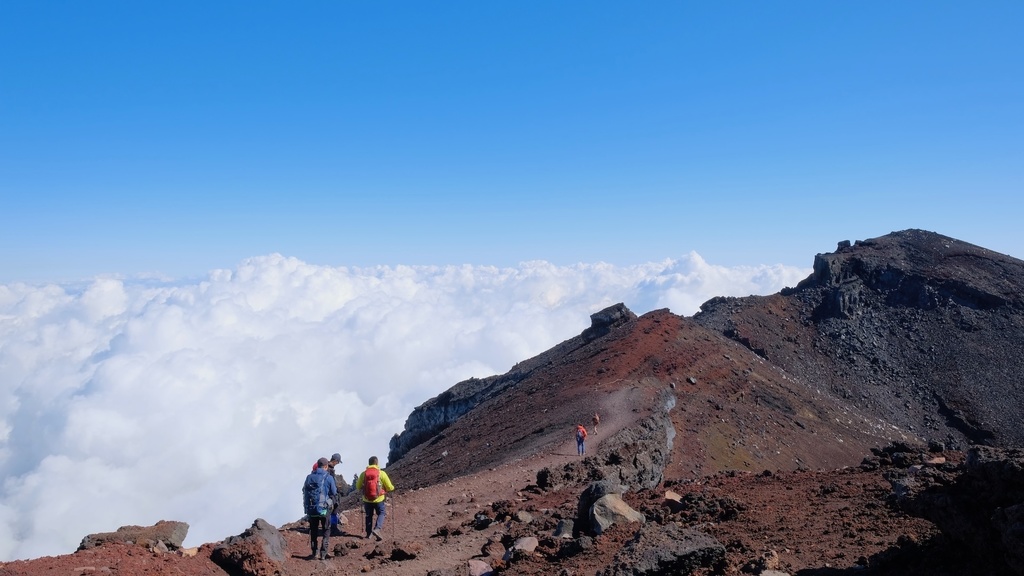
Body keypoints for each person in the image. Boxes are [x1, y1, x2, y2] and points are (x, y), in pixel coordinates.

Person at [302, 457, 338, 559]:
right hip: (324, 509)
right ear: (326, 466)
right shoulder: (328, 477)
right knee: (326, 529)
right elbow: (334, 492)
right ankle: (323, 553)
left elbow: (305, 491)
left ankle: (314, 552)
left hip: (312, 509)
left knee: (313, 530)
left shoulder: (309, 477)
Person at [356, 456, 396, 541]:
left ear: (369, 463)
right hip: (379, 499)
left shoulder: (363, 474)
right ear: (377, 463)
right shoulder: (381, 473)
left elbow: (358, 486)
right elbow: (389, 487)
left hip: (367, 500)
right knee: (381, 513)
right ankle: (377, 529)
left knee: (368, 516)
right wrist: (392, 488)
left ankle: (368, 534)